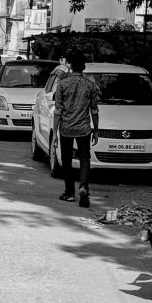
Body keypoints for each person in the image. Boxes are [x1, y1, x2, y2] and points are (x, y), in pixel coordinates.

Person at [54, 49, 99, 207]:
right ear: (84, 67)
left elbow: (58, 111)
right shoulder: (90, 85)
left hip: (66, 127)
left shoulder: (62, 84)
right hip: (84, 128)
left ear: (71, 67)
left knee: (67, 159)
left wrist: (54, 134)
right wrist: (96, 129)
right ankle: (84, 186)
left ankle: (69, 193)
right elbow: (94, 110)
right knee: (84, 157)